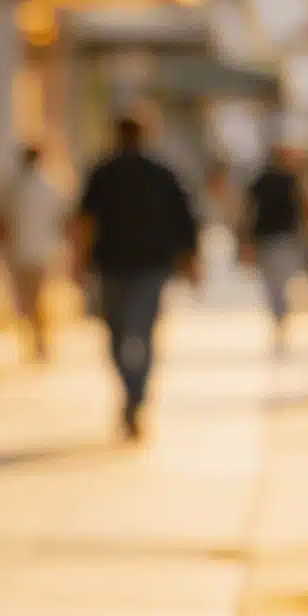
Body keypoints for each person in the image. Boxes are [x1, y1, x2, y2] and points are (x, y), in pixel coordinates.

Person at [71, 112, 202, 441]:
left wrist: (79, 262)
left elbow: (85, 223)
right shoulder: (137, 173)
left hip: (127, 266)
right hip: (135, 266)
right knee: (135, 333)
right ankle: (135, 392)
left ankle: (134, 394)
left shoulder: (117, 173)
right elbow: (186, 221)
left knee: (125, 333)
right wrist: (190, 262)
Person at [0, 145, 69, 363]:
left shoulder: (11, 188)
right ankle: (37, 340)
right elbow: (62, 220)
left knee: (26, 300)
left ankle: (36, 340)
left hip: (19, 252)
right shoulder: (49, 187)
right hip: (42, 252)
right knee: (36, 299)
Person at [240, 144, 308, 353]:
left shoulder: (289, 180)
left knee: (277, 284)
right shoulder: (275, 181)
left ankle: (280, 318)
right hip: (272, 239)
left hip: (280, 239)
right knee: (276, 284)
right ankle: (279, 318)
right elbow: (248, 211)